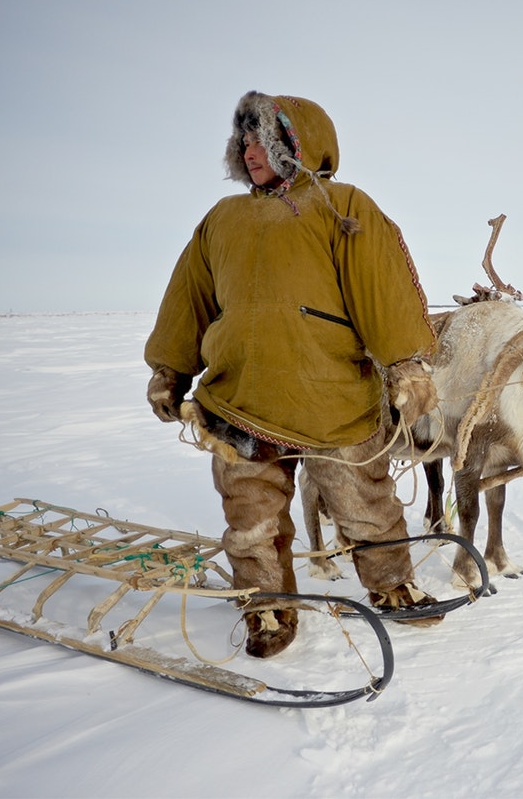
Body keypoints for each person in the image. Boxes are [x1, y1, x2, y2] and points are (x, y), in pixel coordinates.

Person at [144, 92, 440, 657]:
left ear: (297, 145)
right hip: (239, 397)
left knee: (364, 504)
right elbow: (190, 299)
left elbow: (383, 287)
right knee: (249, 516)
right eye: (244, 140)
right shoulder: (221, 220)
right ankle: (268, 605)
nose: (251, 151)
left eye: (265, 139)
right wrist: (169, 368)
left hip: (330, 396)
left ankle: (392, 583)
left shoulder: (343, 206)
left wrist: (407, 364)